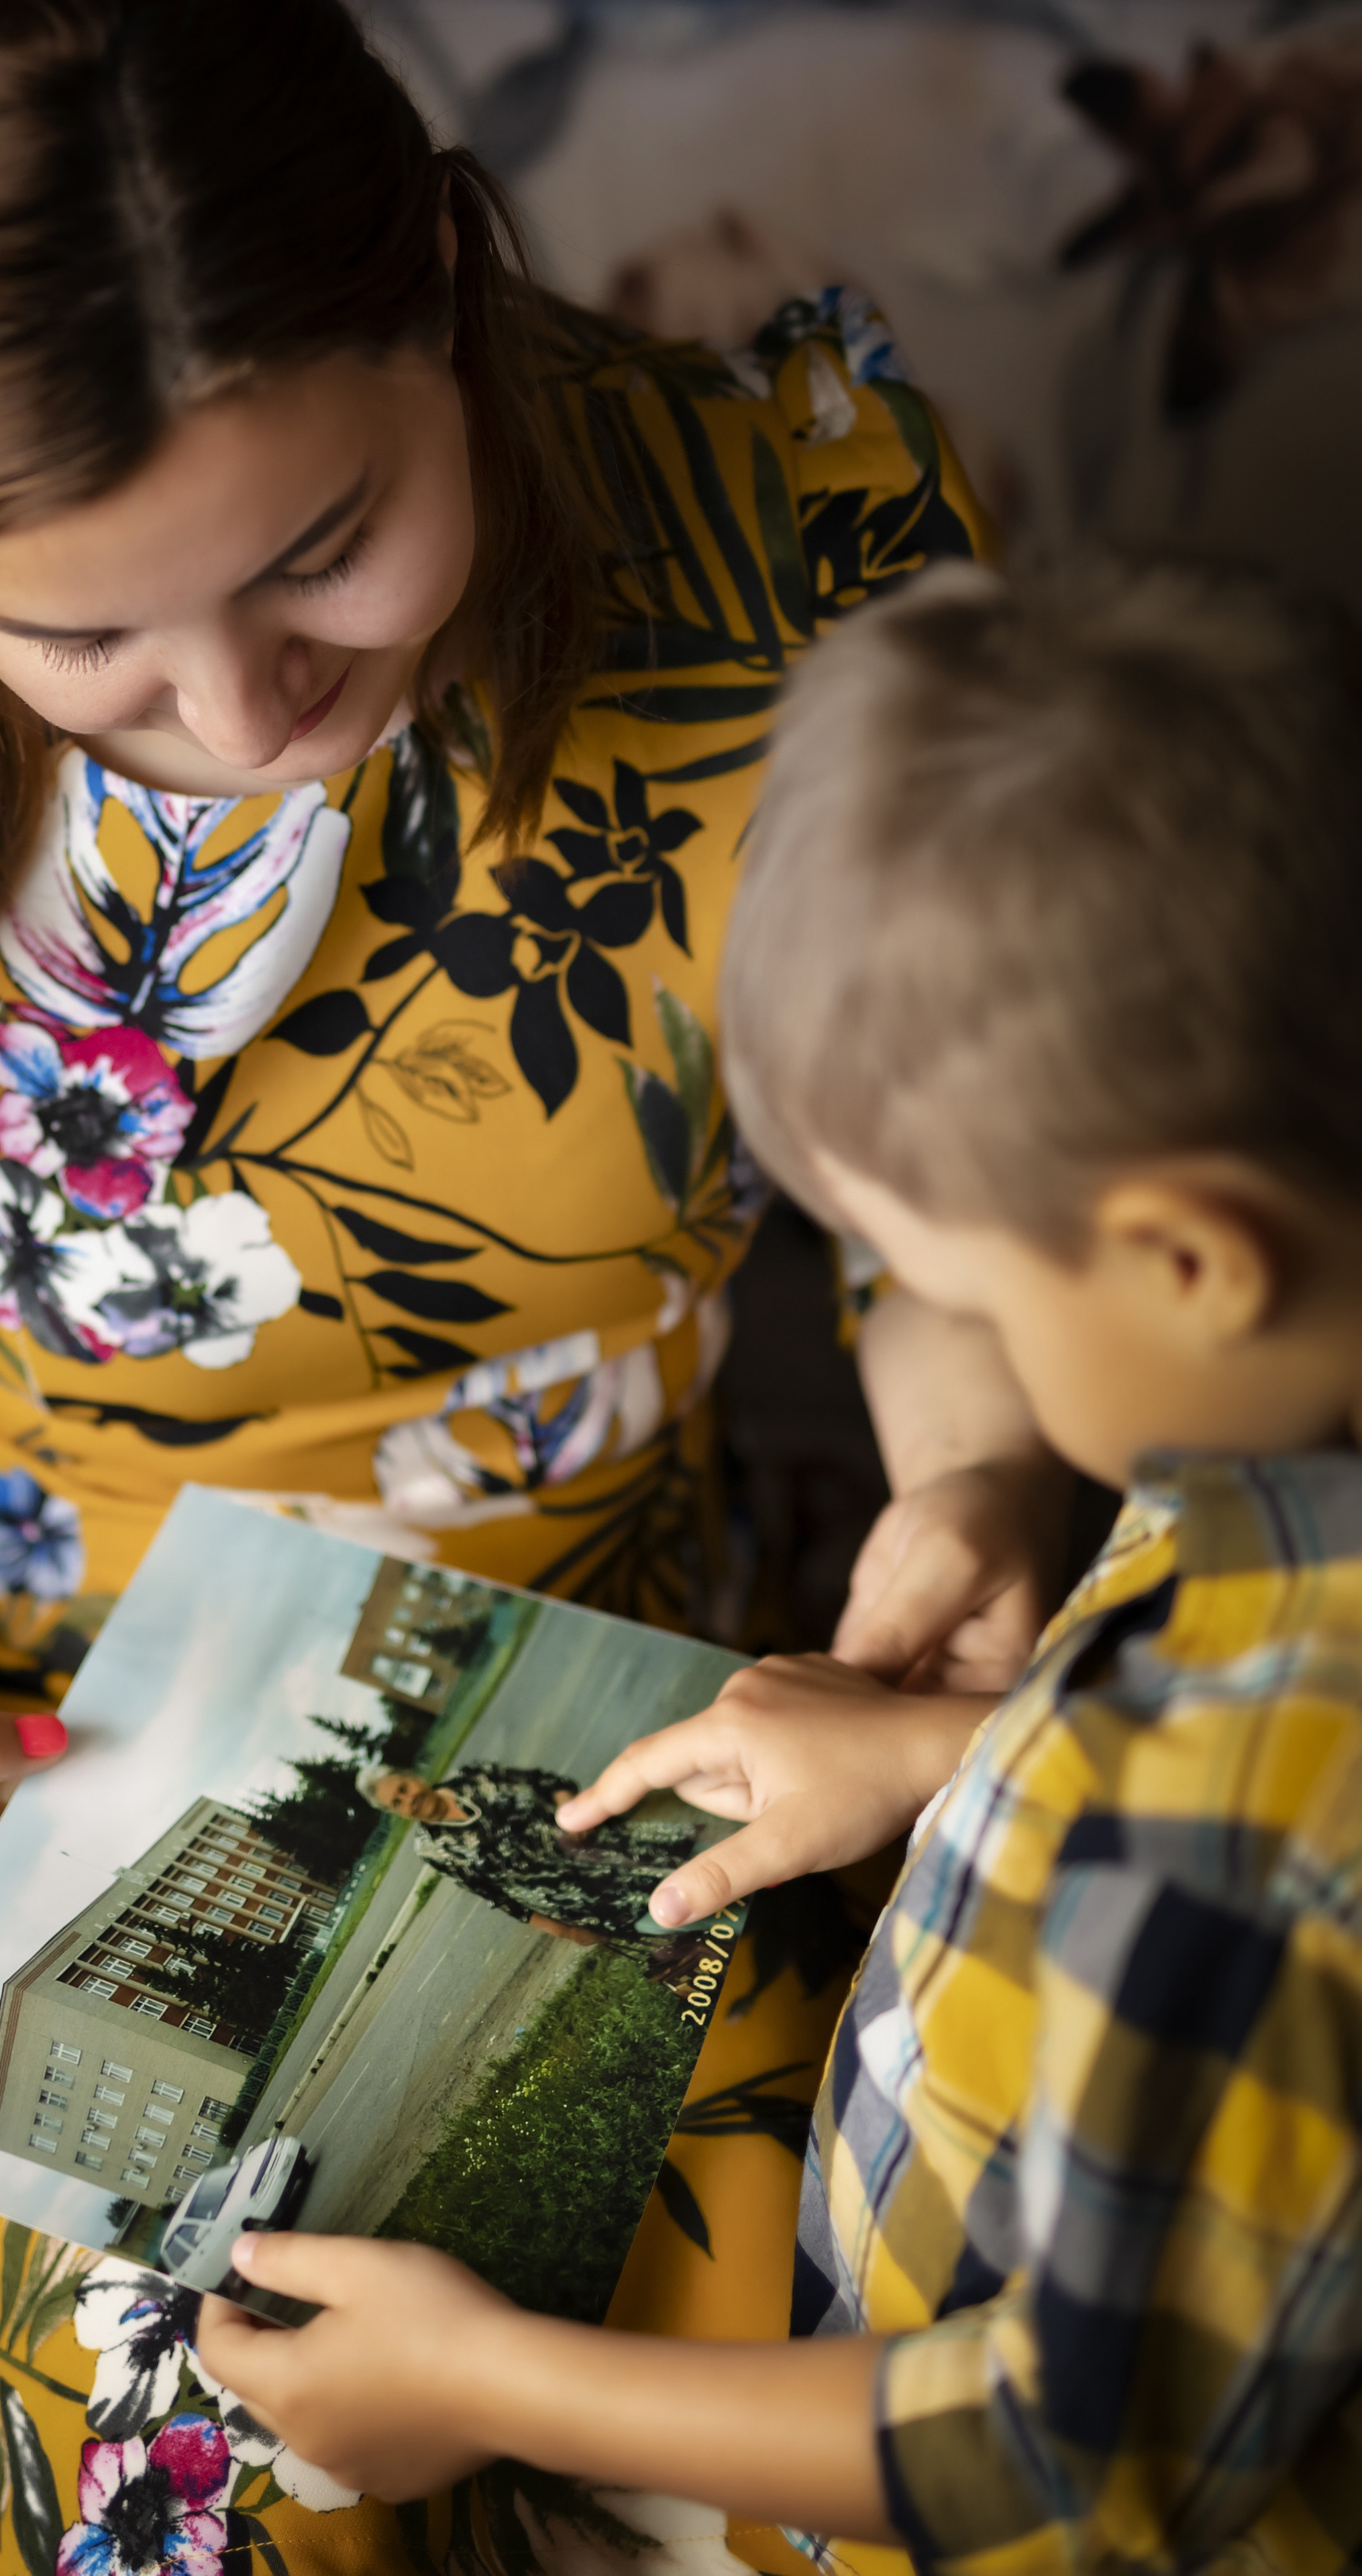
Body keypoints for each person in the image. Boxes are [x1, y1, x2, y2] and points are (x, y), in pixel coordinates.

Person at [0, 2, 1046, 2565]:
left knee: (854, 2389)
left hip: (627, 1729)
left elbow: (931, 1199)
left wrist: (974, 1479)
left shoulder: (795, 548)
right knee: (180, 2438)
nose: (240, 717)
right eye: (82, 643)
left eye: (316, 552)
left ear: (430, 270)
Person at [197, 554, 1362, 2575]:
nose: (927, 1309)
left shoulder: (1225, 1817)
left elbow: (1066, 2453)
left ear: (1191, 1257)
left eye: (955, 1273)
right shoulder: (1274, 1472)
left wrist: (488, 2383)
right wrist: (963, 1756)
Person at [356, 1760, 704, 1964]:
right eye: (397, 1802)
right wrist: (566, 1930)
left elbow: (549, 1781)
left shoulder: (476, 1775)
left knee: (703, 1880)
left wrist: (570, 1814)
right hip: (584, 1899)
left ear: (414, 1777)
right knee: (683, 1923)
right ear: (397, 1813)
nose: (409, 1798)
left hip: (613, 1849)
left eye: (403, 1787)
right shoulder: (433, 1850)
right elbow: (495, 1895)